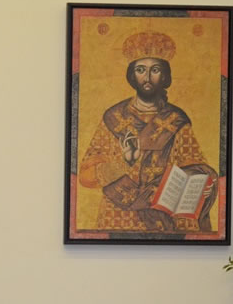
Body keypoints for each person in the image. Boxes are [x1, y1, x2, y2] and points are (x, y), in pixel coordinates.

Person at [79, 31, 218, 233]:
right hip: (120, 214)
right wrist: (124, 162)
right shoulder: (114, 117)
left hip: (166, 214)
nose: (147, 77)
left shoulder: (176, 119)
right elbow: (86, 176)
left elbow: (194, 165)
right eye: (140, 70)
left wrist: (202, 180)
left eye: (155, 70)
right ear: (132, 76)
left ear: (165, 76)